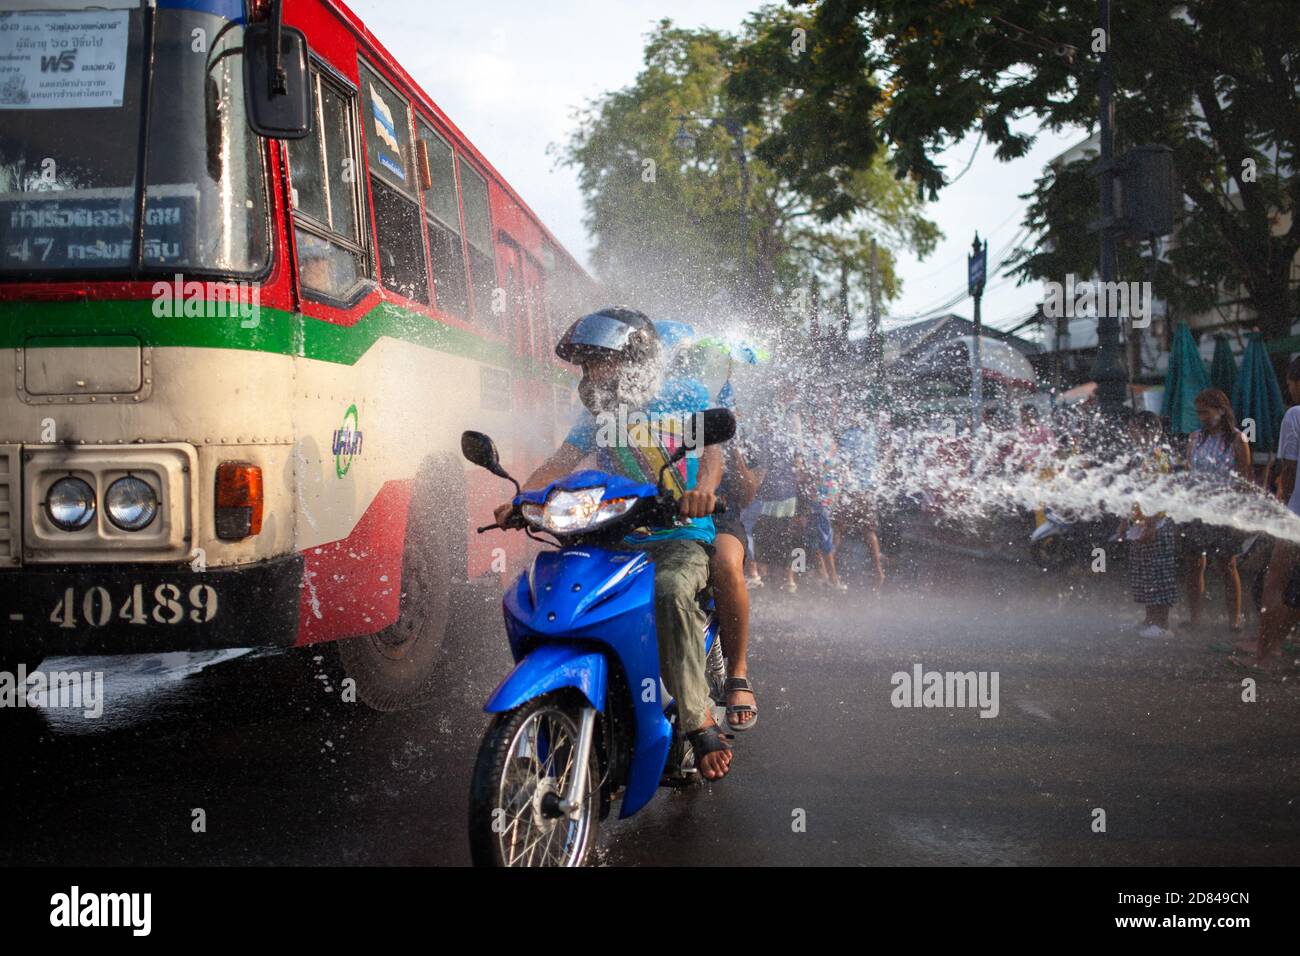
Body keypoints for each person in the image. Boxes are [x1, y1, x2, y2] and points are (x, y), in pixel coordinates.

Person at [492, 307, 732, 779]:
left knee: (668, 590)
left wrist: (703, 491)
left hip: (679, 536)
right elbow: (561, 461)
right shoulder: (598, 414)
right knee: (564, 586)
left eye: (601, 362)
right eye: (587, 365)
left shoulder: (682, 396)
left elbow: (713, 455)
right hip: (616, 537)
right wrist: (521, 499)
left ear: (636, 359)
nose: (592, 374)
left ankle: (698, 719)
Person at [1182, 388, 1251, 633]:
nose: (1202, 417)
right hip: (1198, 510)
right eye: (1199, 412)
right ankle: (1195, 618)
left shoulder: (1237, 440)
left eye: (1206, 412)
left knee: (1227, 564)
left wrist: (1239, 515)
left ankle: (1234, 619)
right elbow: (1189, 474)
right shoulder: (1194, 438)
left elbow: (1245, 481)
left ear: (1221, 411)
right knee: (1194, 563)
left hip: (1225, 511)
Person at [1250, 357, 1300, 667]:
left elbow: (1289, 472)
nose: (1289, 390)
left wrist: (1283, 506)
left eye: (1290, 384)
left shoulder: (1294, 416)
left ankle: (1264, 656)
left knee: (1276, 583)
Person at [1120, 412, 1177, 637]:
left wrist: (1151, 525)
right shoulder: (1137, 456)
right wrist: (1124, 522)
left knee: (1159, 575)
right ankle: (1149, 619)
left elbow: (1161, 492)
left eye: (1134, 429)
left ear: (1149, 431)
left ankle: (1162, 625)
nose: (1130, 433)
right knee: (1145, 575)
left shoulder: (1161, 455)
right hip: (1140, 523)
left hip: (1157, 524)